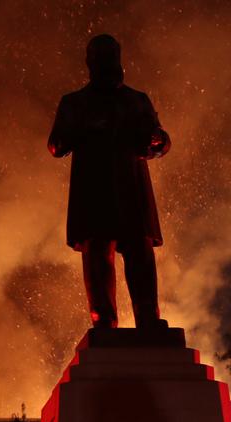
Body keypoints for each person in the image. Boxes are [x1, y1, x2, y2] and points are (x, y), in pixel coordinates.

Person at [48, 33, 171, 329]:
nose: (106, 62)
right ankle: (103, 320)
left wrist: (159, 141)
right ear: (90, 62)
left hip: (131, 188)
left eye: (110, 55)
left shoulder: (136, 100)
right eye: (100, 56)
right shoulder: (74, 103)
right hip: (94, 190)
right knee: (98, 256)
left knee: (139, 254)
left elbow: (160, 139)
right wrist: (89, 130)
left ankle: (148, 319)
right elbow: (56, 145)